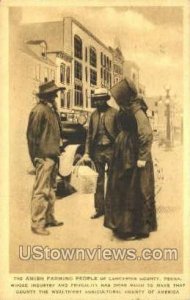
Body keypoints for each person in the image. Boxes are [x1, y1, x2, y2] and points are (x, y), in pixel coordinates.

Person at [104, 78, 157, 239]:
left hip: (133, 154)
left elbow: (146, 133)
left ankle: (133, 228)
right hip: (123, 152)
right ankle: (121, 225)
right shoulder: (126, 108)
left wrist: (142, 157)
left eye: (118, 97)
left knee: (134, 190)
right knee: (120, 188)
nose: (116, 101)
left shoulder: (136, 110)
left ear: (124, 96)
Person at [27, 80, 64, 235]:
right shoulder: (39, 110)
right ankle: (37, 223)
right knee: (41, 191)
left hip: (52, 156)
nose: (56, 95)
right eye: (54, 93)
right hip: (44, 157)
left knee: (51, 189)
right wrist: (37, 158)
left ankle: (49, 218)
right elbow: (32, 137)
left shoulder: (51, 110)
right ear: (47, 96)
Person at [83, 88, 120, 219]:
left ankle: (112, 209)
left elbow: (120, 135)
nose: (98, 102)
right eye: (96, 100)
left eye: (100, 99)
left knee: (112, 181)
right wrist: (87, 153)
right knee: (98, 181)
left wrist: (119, 151)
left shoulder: (115, 113)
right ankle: (99, 209)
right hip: (97, 151)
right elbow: (88, 136)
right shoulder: (93, 115)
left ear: (105, 99)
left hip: (111, 150)